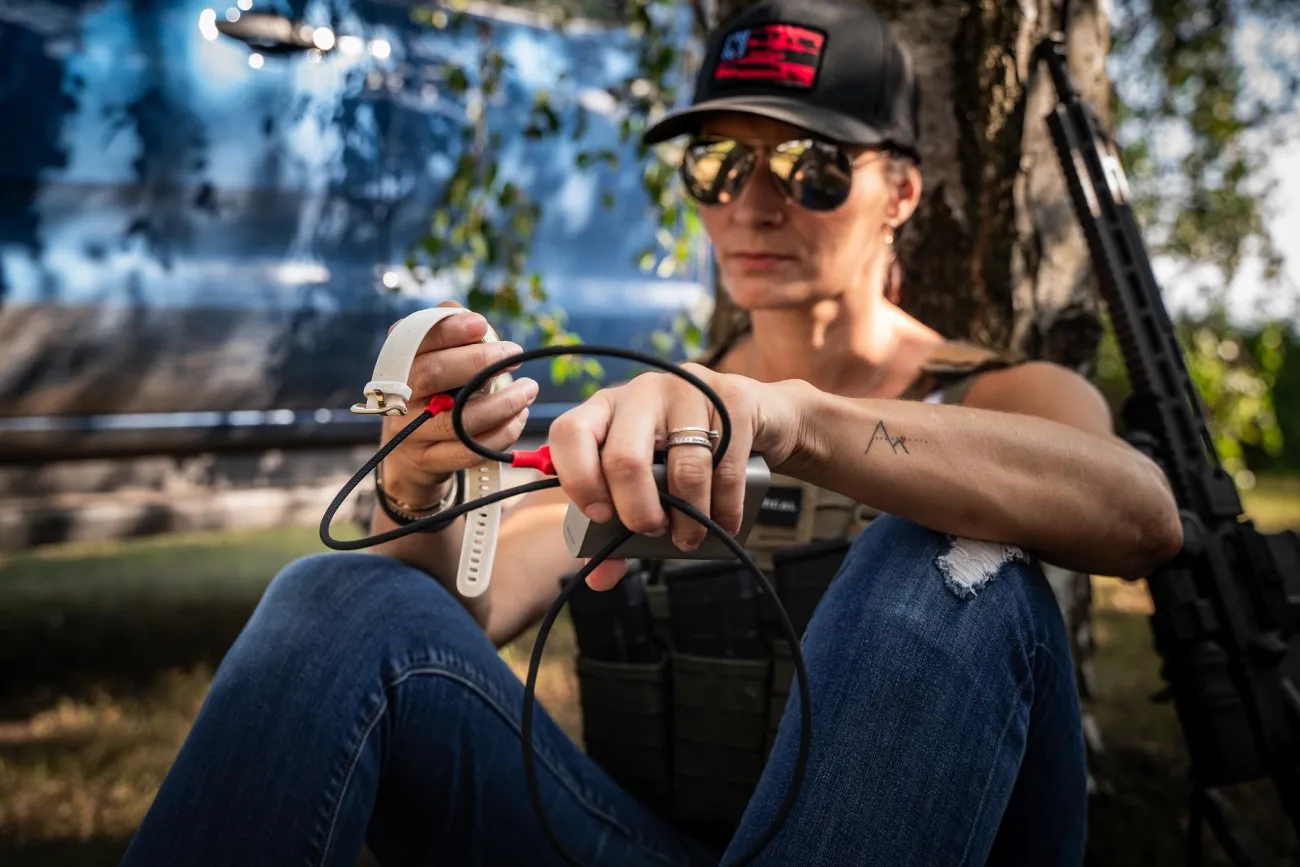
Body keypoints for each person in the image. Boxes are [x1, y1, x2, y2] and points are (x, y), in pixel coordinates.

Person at [121, 0, 1183, 864]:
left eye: (810, 166)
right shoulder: (655, 419)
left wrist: (793, 417)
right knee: (333, 594)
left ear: (900, 192)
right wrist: (418, 487)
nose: (753, 206)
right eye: (718, 165)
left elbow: (1137, 514)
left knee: (939, 561)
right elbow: (455, 617)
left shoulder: (1003, 394)